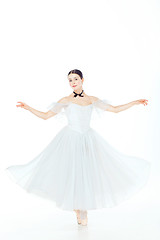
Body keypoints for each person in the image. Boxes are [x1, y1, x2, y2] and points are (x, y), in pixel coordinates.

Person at [5, 69, 150, 226]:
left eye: (75, 79)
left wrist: (135, 102)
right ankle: (77, 207)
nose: (72, 82)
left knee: (86, 172)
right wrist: (28, 108)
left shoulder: (92, 99)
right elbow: (46, 116)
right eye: (70, 80)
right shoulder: (66, 100)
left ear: (82, 80)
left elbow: (114, 109)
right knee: (71, 171)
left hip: (88, 139)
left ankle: (82, 207)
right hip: (70, 139)